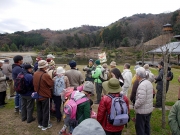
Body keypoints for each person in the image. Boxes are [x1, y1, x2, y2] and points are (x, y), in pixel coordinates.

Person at [33, 60, 54, 131]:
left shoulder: (35, 73)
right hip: (45, 95)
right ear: (44, 67)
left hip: (38, 95)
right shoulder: (45, 75)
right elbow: (51, 84)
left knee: (39, 110)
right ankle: (45, 125)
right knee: (46, 111)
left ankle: (40, 123)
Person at [134, 67, 153, 135]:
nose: (135, 76)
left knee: (140, 128)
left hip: (142, 111)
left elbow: (141, 99)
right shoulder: (148, 82)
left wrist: (135, 105)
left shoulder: (142, 85)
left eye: (136, 74)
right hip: (148, 110)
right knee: (146, 126)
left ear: (138, 76)